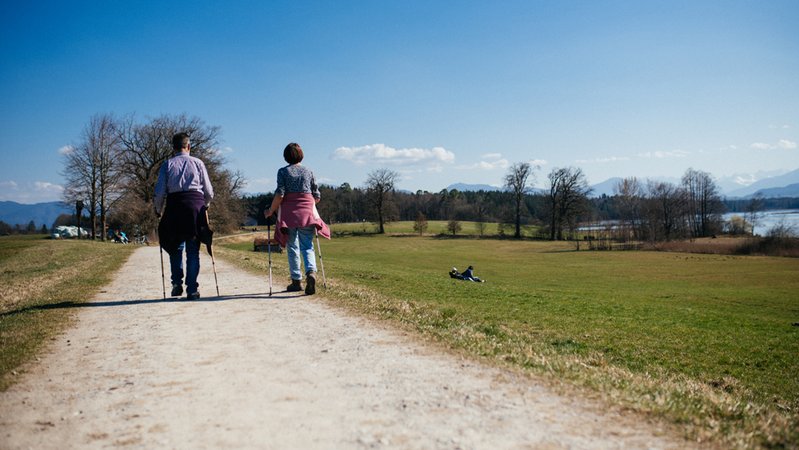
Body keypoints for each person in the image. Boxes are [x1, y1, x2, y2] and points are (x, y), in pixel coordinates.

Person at [154, 132, 214, 300]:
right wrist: (205, 205)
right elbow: (209, 191)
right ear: (188, 146)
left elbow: (159, 193)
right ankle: (192, 289)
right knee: (193, 251)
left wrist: (158, 210)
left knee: (175, 247)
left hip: (174, 208)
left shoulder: (167, 165)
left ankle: (176, 284)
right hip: (195, 207)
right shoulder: (198, 163)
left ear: (173, 148)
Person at [264, 143, 330, 295]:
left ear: (286, 156)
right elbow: (317, 196)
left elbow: (280, 194)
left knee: (292, 246)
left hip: (288, 214)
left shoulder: (282, 172)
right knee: (307, 245)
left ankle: (296, 281)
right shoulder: (309, 171)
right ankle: (311, 272)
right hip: (307, 211)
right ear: (301, 155)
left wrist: (270, 211)